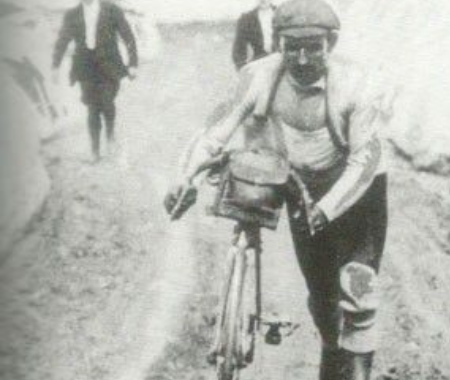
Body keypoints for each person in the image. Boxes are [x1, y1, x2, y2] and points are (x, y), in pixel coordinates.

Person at [166, 0, 388, 378]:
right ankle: (332, 361)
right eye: (291, 47)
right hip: (302, 187)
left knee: (358, 292)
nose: (302, 59)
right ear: (277, 44)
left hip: (357, 195)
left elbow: (362, 164)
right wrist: (185, 177)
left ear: (330, 45)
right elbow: (214, 134)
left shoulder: (356, 85)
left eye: (313, 47)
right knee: (322, 299)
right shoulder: (259, 76)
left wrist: (327, 208)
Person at [52, 0, 138, 162]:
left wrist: (133, 64)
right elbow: (62, 40)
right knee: (92, 108)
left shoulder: (112, 10)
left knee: (106, 102)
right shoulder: (72, 14)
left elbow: (128, 37)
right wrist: (55, 66)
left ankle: (110, 135)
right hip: (85, 67)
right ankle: (95, 150)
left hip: (109, 67)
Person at [233, 0, 278, 70]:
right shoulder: (246, 18)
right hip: (259, 64)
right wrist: (242, 68)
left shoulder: (282, 14)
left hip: (281, 64)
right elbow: (238, 48)